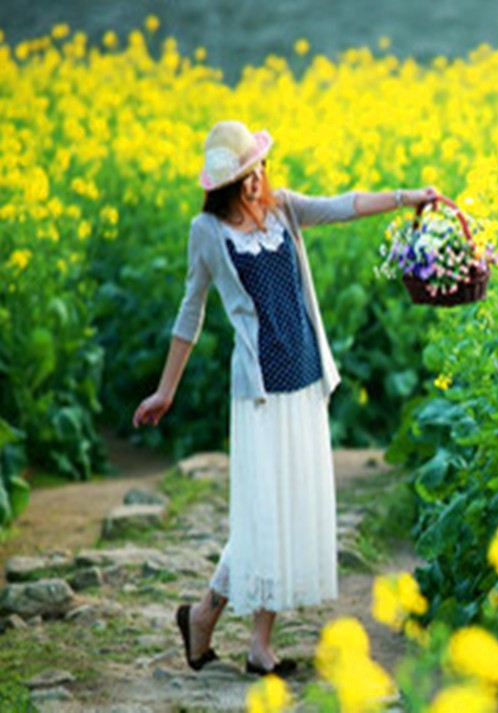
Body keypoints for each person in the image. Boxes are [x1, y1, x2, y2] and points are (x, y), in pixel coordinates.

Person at [132, 119, 437, 676]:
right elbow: (190, 313)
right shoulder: (206, 233)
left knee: (285, 510)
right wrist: (165, 389)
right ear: (223, 185)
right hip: (261, 395)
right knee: (261, 518)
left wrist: (407, 198)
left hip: (304, 383)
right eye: (244, 177)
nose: (256, 183)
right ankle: (228, 631)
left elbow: (344, 205)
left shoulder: (285, 210)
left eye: (258, 170)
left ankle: (225, 628)